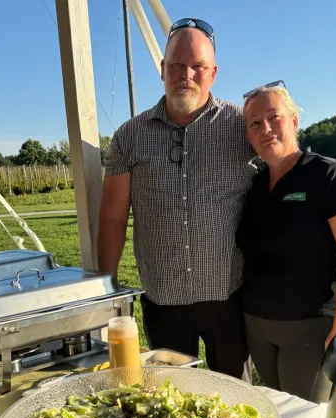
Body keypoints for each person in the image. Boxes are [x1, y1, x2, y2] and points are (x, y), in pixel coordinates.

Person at [98, 18, 257, 381]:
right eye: (176, 65)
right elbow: (112, 218)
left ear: (213, 73)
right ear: (162, 69)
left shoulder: (242, 126)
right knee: (171, 398)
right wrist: (108, 291)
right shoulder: (129, 136)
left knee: (234, 395)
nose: (186, 74)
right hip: (163, 299)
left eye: (198, 66)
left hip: (229, 296)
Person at [236, 83, 336, 400]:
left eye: (274, 117)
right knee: (276, 415)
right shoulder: (253, 185)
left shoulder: (329, 176)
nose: (265, 128)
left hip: (310, 328)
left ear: (294, 121)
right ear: (249, 136)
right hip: (258, 327)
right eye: (255, 123)